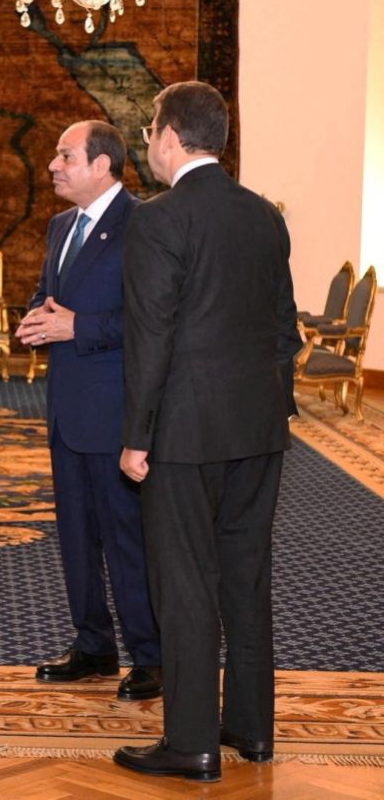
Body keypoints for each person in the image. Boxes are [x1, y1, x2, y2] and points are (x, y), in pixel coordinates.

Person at [114, 81, 302, 783]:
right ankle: (251, 730)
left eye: (151, 132)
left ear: (170, 137)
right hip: (260, 429)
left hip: (185, 434)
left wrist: (137, 435)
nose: (149, 145)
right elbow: (286, 331)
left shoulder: (159, 219)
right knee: (246, 577)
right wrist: (268, 407)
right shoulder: (264, 217)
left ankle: (190, 742)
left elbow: (151, 338)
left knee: (185, 581)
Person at [16, 120, 161, 699]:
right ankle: (93, 645)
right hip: (65, 410)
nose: (53, 164)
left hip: (118, 412)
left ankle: (151, 656)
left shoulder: (144, 224)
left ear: (102, 166)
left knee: (125, 538)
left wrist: (79, 326)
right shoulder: (59, 226)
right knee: (76, 536)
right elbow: (50, 294)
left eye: (65, 155)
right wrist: (37, 316)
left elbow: (153, 320)